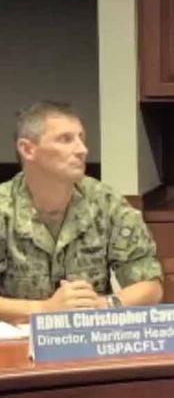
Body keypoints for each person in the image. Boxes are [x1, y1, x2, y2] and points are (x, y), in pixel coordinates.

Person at [0, 100, 163, 322]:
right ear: (28, 149)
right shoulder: (3, 208)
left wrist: (105, 305)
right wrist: (44, 309)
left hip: (87, 340)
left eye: (81, 138)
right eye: (65, 139)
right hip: (14, 346)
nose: (82, 150)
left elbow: (150, 285)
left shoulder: (106, 202)